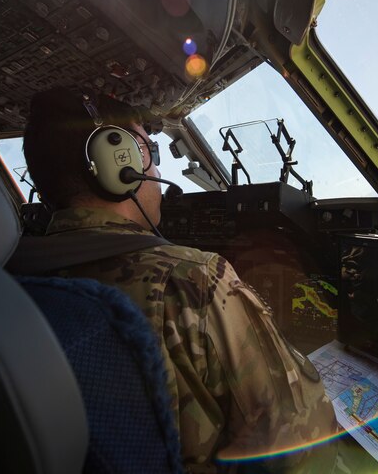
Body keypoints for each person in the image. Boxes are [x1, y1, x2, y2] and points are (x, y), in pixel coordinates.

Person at [23, 87, 339, 473]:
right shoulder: (190, 279)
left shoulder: (18, 274)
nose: (156, 172)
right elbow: (302, 440)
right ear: (116, 161)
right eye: (150, 155)